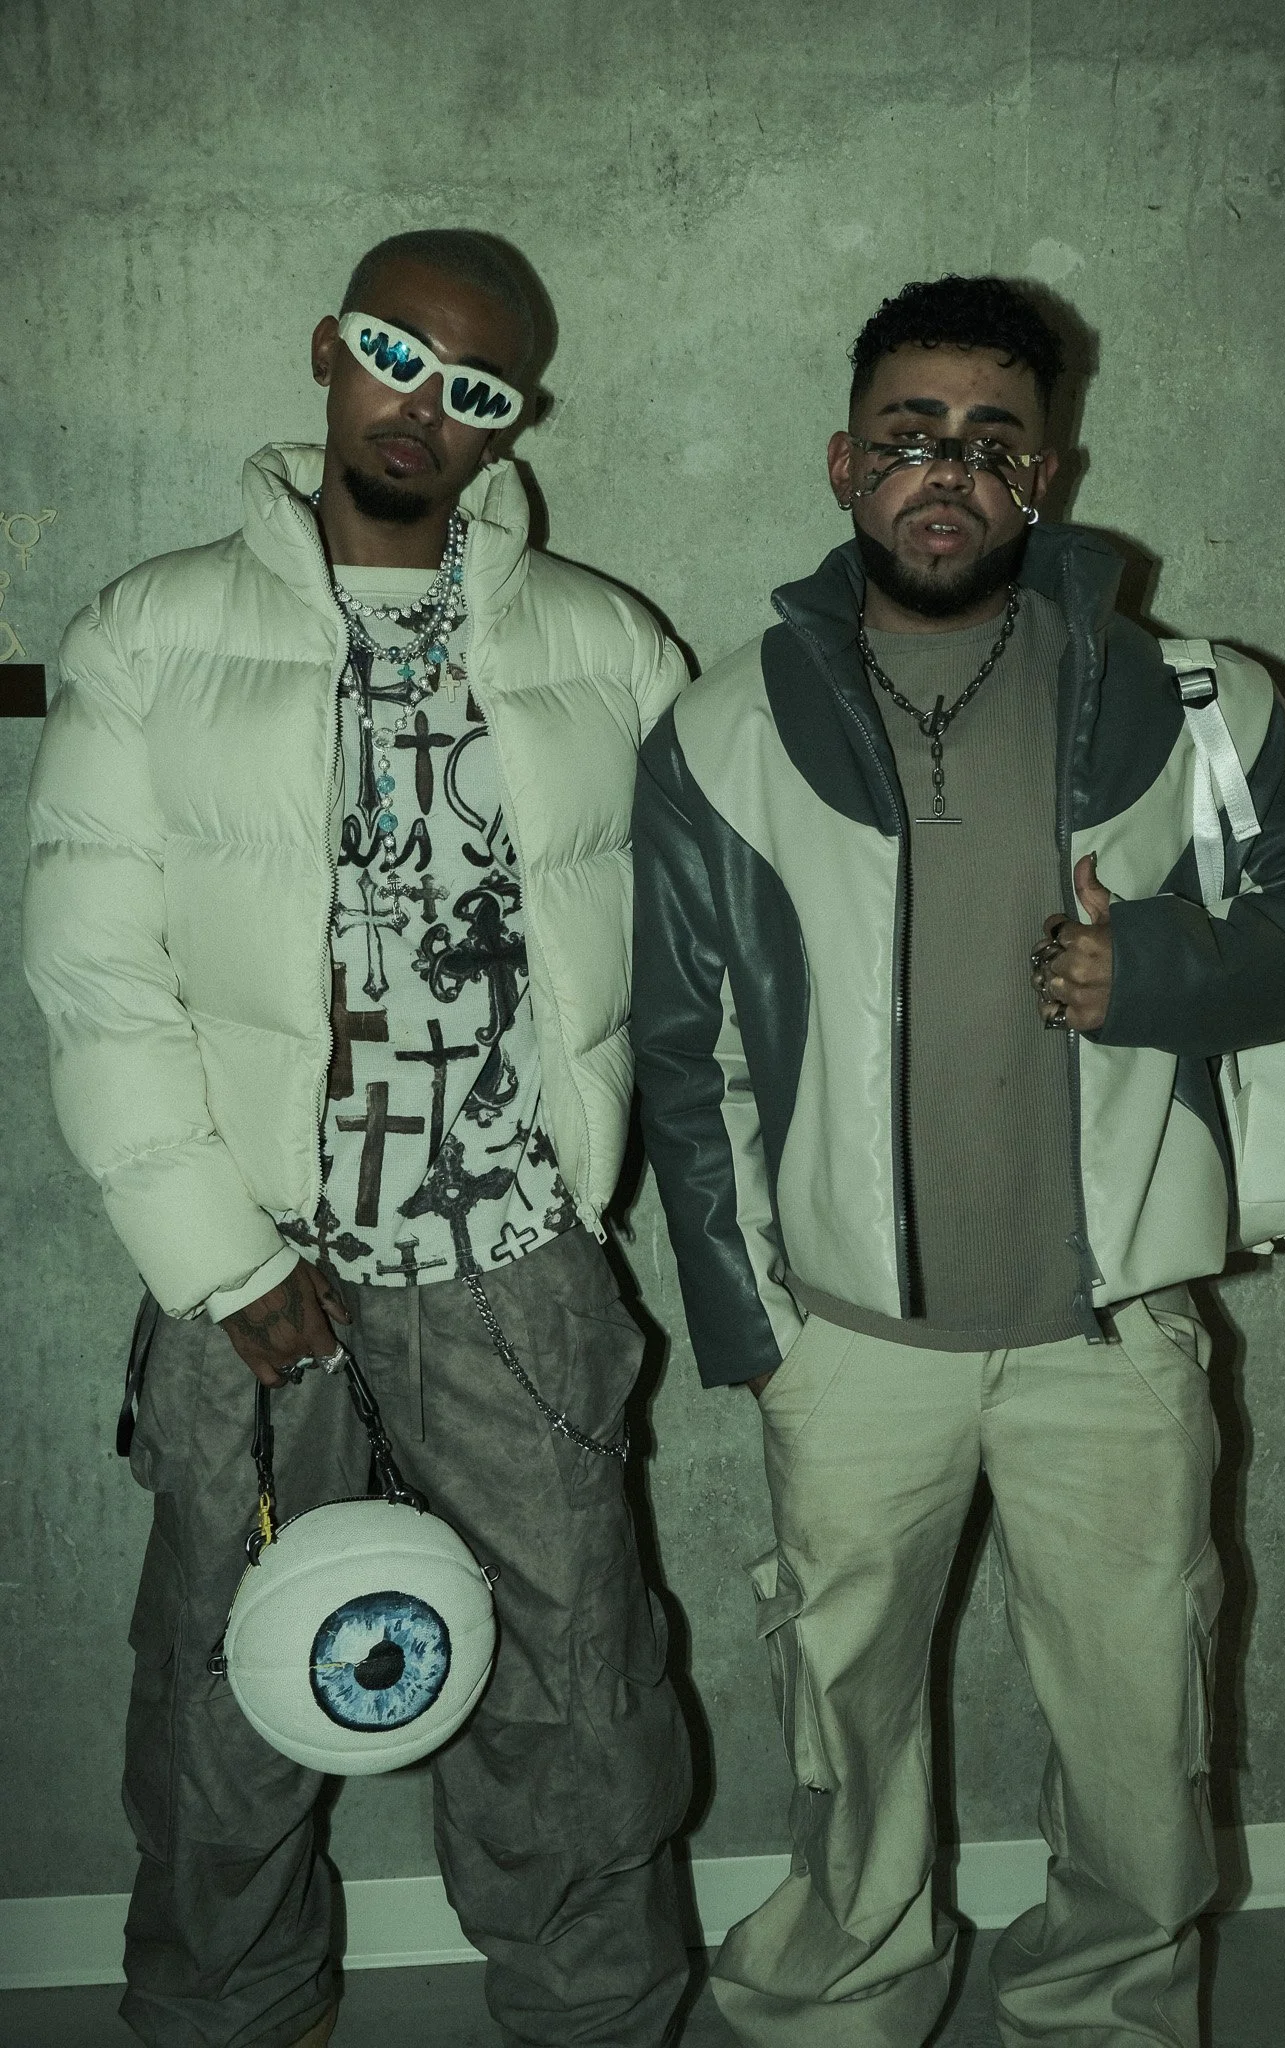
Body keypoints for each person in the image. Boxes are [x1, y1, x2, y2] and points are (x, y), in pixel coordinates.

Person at [629, 273, 1285, 2047]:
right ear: (842, 461)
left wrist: (1165, 973)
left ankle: (1111, 2005)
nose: (943, 469)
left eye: (989, 441)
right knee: (845, 1719)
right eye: (908, 434)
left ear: (1044, 474)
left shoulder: (1200, 701)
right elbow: (682, 1049)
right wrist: (756, 1330)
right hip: (852, 1346)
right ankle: (846, 1996)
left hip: (1111, 1339)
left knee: (1135, 1725)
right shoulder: (723, 731)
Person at [24, 229, 692, 2048]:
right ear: (330, 347)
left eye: (478, 388)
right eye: (400, 353)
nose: (428, 404)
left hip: (518, 1275)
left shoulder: (607, 645)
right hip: (254, 1285)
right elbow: (96, 980)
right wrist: (220, 1264)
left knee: (579, 1708)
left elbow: (696, 957)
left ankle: (594, 2018)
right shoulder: (152, 630)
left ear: (507, 422)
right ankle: (229, 2020)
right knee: (229, 1710)